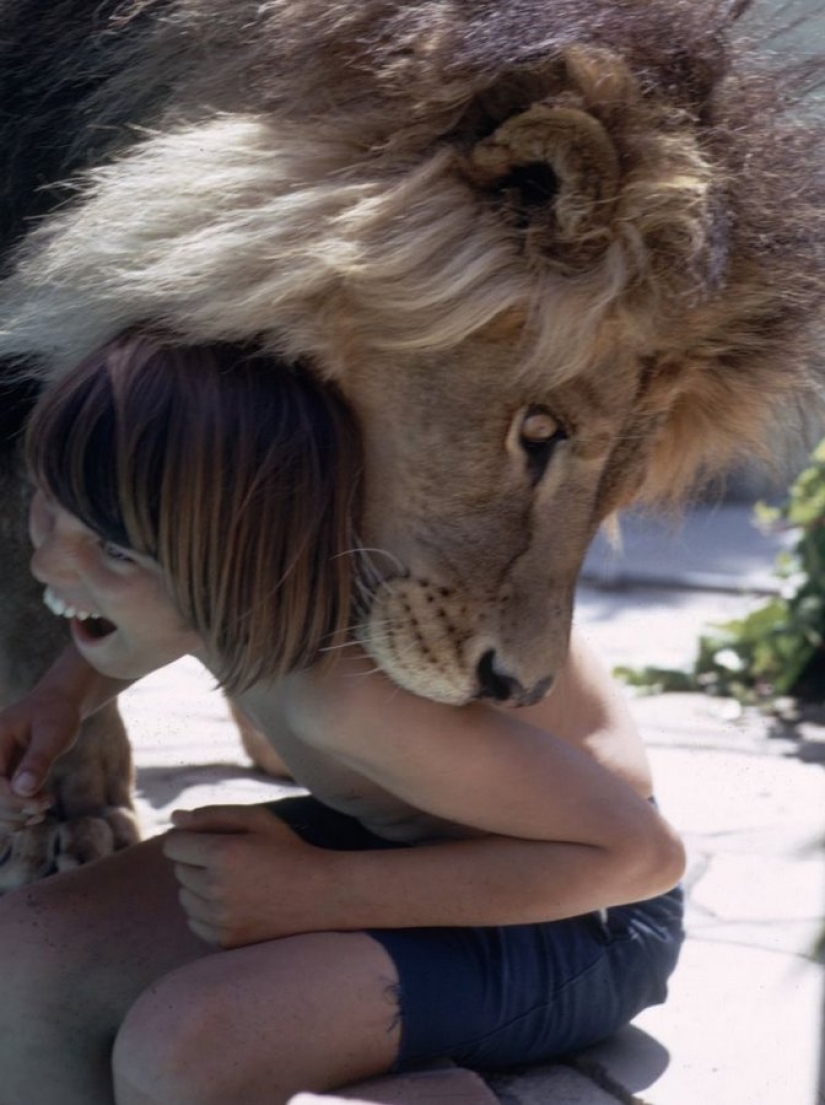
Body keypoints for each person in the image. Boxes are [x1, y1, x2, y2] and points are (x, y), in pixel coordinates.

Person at [0, 331, 685, 1105]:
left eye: (112, 550)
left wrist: (323, 891)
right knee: (23, 956)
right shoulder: (225, 579)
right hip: (393, 842)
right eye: (45, 508)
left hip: (580, 917)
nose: (49, 563)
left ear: (233, 565)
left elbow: (641, 857)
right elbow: (140, 613)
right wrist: (60, 699)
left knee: (189, 1045)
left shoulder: (353, 698)